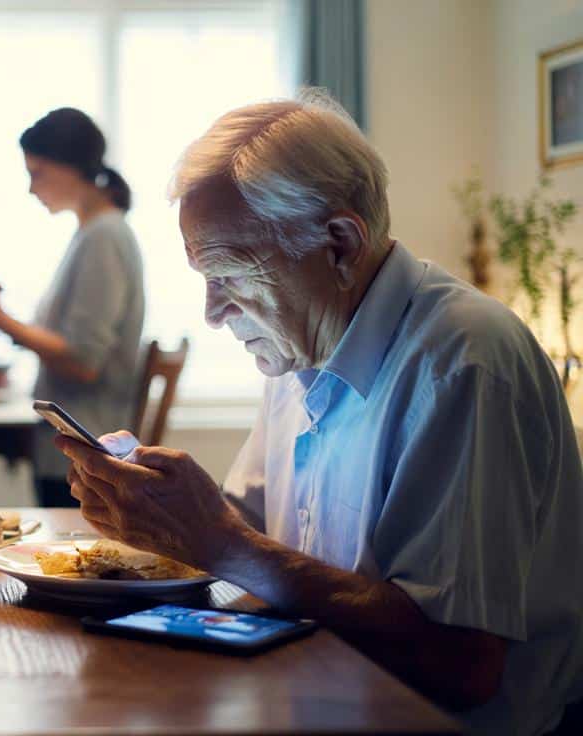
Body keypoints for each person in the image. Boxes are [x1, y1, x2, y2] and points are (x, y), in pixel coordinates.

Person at [57, 93, 583, 735]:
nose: (213, 312)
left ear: (339, 244)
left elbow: (462, 666)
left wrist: (219, 542)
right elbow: (247, 539)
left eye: (230, 272)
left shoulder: (463, 363)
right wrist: (154, 512)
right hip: (315, 694)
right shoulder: (300, 350)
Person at [0, 107, 144, 507]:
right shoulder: (93, 234)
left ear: (71, 167)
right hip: (80, 447)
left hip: (85, 452)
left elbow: (82, 360)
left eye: (37, 173)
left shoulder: (103, 237)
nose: (31, 188)